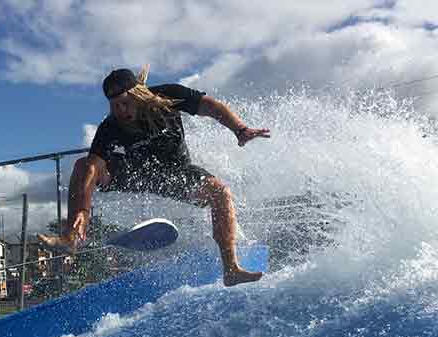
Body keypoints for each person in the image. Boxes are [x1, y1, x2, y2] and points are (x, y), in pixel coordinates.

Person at [39, 66, 271, 287]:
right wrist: (82, 211)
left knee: (220, 193)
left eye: (124, 103)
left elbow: (211, 107)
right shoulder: (110, 127)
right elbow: (94, 168)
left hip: (177, 175)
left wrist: (240, 129)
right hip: (138, 174)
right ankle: (72, 235)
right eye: (114, 106)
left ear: (138, 94)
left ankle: (231, 269)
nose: (120, 111)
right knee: (84, 164)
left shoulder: (169, 96)